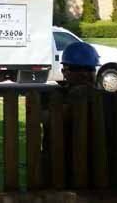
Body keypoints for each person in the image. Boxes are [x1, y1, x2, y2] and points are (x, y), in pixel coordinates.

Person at [40, 41, 99, 188]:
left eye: (89, 69)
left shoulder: (104, 99)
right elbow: (47, 119)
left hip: (95, 172)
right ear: (65, 72)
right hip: (61, 171)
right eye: (78, 69)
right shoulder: (53, 97)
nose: (85, 74)